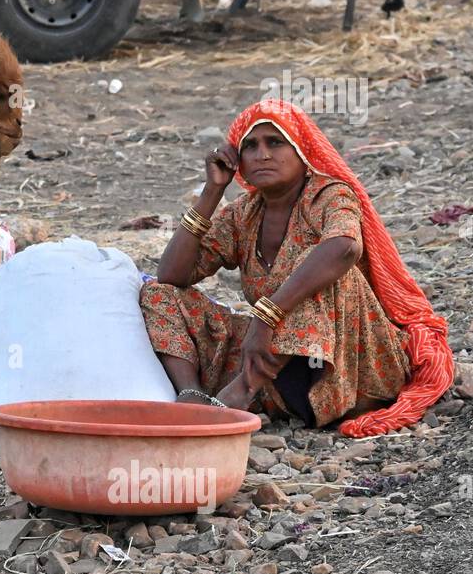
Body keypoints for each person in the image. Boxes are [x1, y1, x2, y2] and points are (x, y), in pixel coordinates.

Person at [139, 99, 453, 437]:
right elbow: (172, 276)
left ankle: (240, 392)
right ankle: (193, 399)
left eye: (275, 142)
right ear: (238, 161)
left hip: (350, 370)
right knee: (158, 294)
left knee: (322, 266)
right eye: (251, 146)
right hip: (281, 375)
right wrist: (213, 191)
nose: (262, 154)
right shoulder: (243, 214)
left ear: (302, 152)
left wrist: (267, 314)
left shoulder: (328, 195)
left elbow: (345, 247)